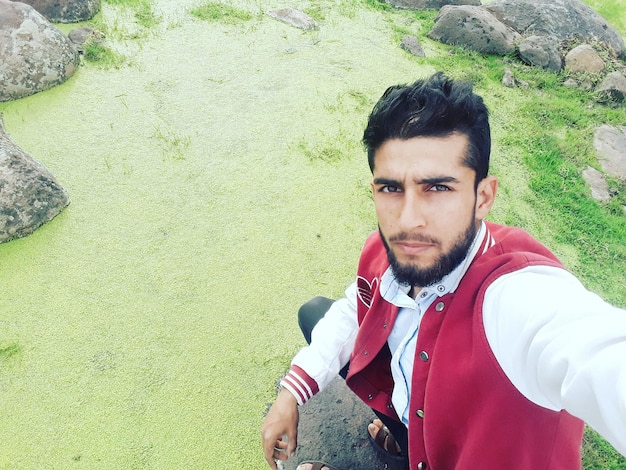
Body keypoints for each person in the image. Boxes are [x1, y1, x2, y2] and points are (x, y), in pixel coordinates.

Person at [261, 72, 626, 470]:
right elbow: (355, 308)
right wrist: (291, 392)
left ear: (482, 196)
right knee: (316, 313)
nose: (408, 220)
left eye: (437, 188)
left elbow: (595, 354)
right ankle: (405, 437)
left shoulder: (517, 297)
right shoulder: (393, 254)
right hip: (415, 418)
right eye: (391, 188)